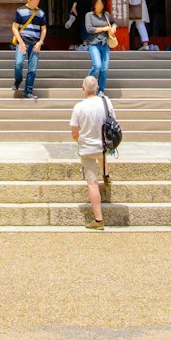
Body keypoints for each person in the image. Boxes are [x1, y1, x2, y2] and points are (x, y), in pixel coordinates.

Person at [70, 75, 113, 230]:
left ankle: (98, 219)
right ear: (97, 87)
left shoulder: (78, 107)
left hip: (87, 147)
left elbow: (74, 133)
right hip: (103, 145)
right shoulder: (106, 102)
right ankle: (106, 175)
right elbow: (112, 121)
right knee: (102, 155)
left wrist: (79, 141)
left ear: (83, 88)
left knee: (92, 183)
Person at [11, 0, 47, 100]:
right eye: (35, 0)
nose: (37, 3)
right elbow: (14, 27)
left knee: (32, 69)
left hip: (35, 43)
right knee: (18, 64)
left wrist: (40, 42)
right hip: (22, 41)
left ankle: (28, 91)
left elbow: (44, 29)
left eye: (38, 1)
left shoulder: (41, 13)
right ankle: (18, 80)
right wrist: (20, 42)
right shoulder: (20, 11)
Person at [84, 0, 114, 93]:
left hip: (105, 44)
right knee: (97, 65)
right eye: (98, 4)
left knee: (104, 68)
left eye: (101, 4)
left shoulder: (106, 14)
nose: (100, 6)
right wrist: (104, 29)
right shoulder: (89, 15)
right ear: (94, 5)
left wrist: (113, 28)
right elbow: (89, 29)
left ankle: (101, 90)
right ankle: (87, 84)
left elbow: (114, 23)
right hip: (94, 43)